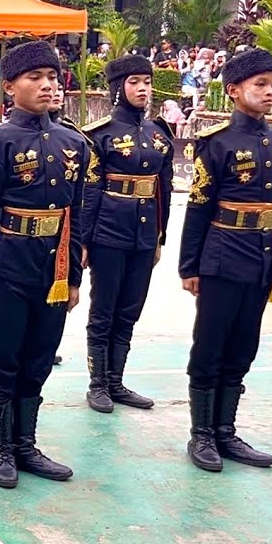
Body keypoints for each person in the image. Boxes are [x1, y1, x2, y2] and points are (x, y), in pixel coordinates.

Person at [0, 41, 89, 489]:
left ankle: (26, 444)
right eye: (34, 78)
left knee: (39, 356)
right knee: (2, 357)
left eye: (52, 78)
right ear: (9, 86)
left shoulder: (74, 142)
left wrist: (75, 278)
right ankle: (1, 448)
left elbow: (76, 215)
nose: (46, 86)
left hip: (54, 269)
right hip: (8, 264)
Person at [180, 48, 272, 472]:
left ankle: (226, 431)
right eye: (260, 85)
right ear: (234, 91)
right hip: (221, 256)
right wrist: (190, 266)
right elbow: (198, 207)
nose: (270, 92)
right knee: (211, 343)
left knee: (243, 345)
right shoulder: (217, 144)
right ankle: (201, 435)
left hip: (261, 259)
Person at [78, 55, 171, 414]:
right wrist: (84, 241)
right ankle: (98, 383)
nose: (143, 89)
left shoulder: (159, 135)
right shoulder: (99, 135)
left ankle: (116, 380)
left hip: (145, 234)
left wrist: (161, 237)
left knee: (130, 309)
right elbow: (89, 194)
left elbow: (165, 192)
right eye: (134, 83)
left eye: (147, 82)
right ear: (119, 88)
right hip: (108, 233)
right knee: (104, 308)